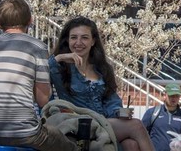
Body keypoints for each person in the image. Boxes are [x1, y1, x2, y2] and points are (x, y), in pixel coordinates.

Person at [0, 0, 77, 150]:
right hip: (25, 133)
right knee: (65, 143)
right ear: (30, 20)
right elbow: (43, 100)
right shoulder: (37, 47)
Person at [48, 16, 155, 151]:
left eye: (84, 38)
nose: (78, 42)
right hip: (79, 124)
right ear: (67, 40)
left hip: (104, 121)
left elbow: (112, 101)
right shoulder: (60, 67)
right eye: (74, 37)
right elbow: (41, 71)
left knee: (131, 144)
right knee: (137, 126)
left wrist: (119, 112)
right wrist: (61, 57)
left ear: (93, 41)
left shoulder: (102, 68)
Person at [142, 83, 181, 151]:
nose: (174, 98)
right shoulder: (152, 113)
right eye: (171, 96)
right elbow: (141, 133)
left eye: (177, 96)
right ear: (164, 96)